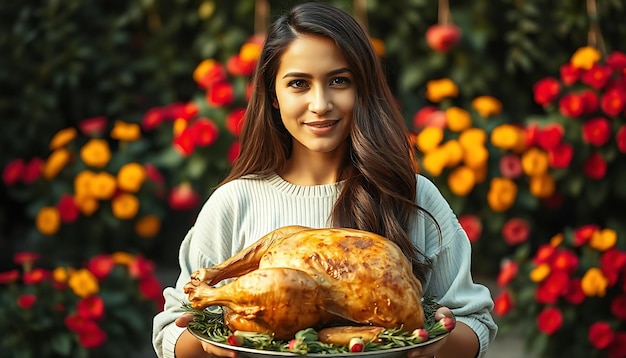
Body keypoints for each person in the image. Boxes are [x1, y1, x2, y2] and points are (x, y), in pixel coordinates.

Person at [152, 2, 498, 358]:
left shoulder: (411, 196)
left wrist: (439, 342)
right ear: (273, 95)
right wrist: (214, 345)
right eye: (299, 84)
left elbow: (475, 323)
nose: (320, 104)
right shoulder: (235, 202)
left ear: (362, 88)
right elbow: (172, 330)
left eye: (338, 81)